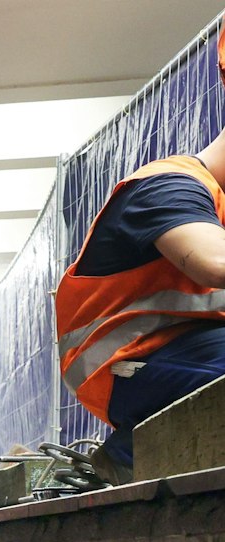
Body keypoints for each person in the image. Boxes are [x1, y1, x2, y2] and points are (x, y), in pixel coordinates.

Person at [57, 117, 225, 484]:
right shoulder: (168, 185)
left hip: (187, 354)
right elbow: (214, 264)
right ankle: (131, 451)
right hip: (126, 365)